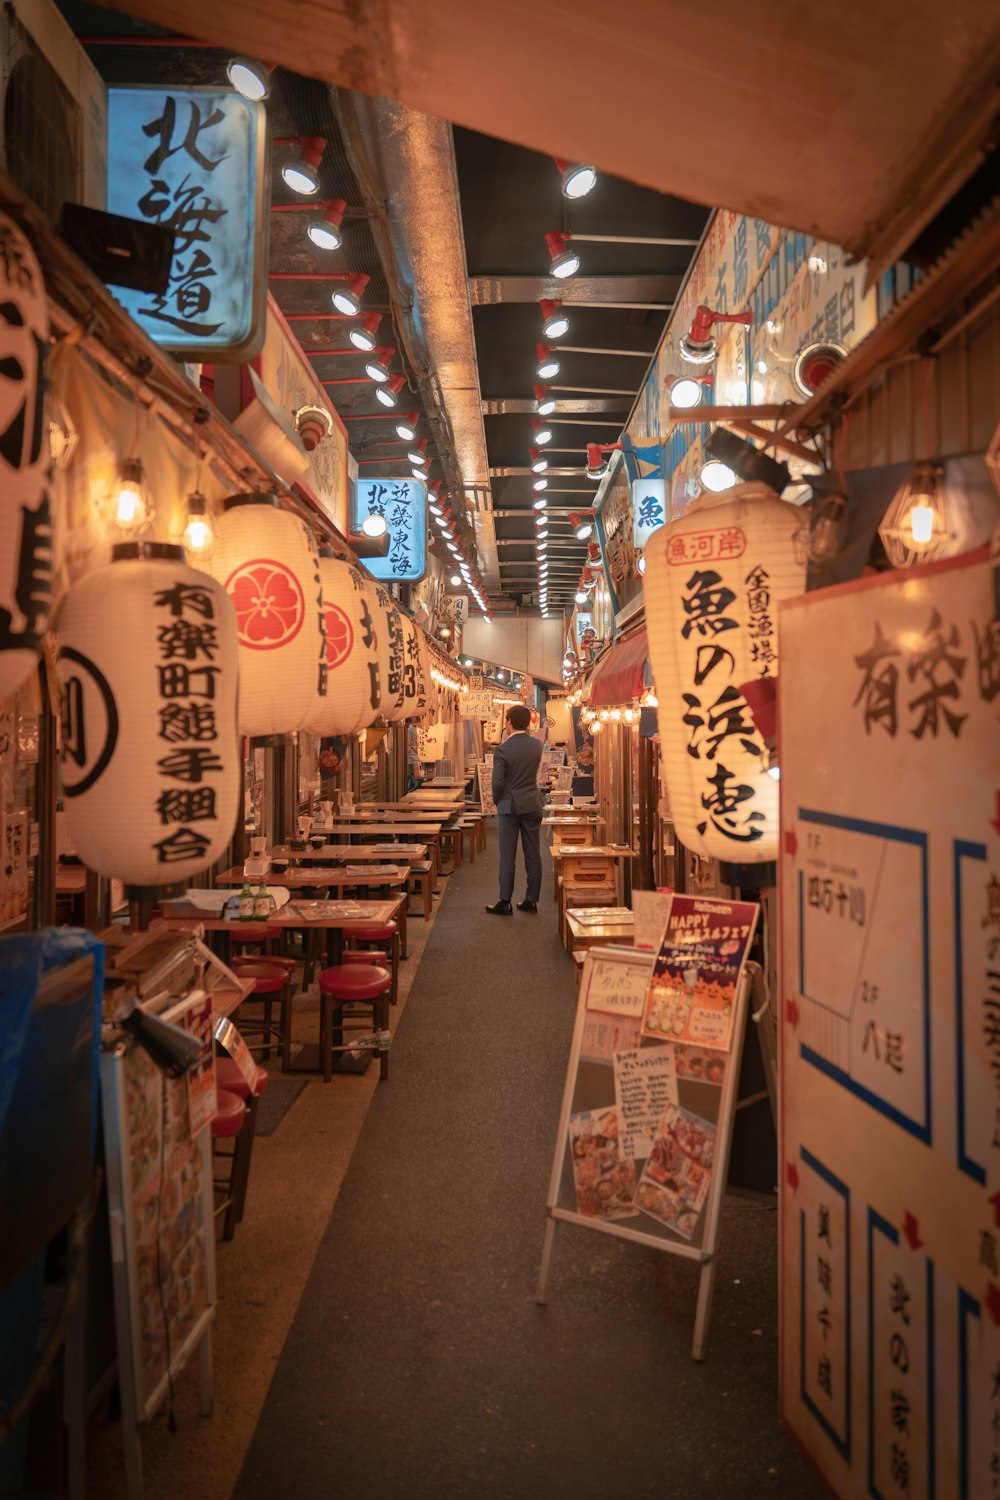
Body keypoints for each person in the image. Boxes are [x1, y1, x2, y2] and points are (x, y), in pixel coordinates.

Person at [486, 704, 544, 915]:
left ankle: (505, 901)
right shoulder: (537, 745)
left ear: (509, 722)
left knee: (508, 855)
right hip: (532, 802)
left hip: (509, 806)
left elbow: (497, 782)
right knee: (533, 853)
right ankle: (531, 899)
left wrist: (497, 800)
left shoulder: (502, 750)